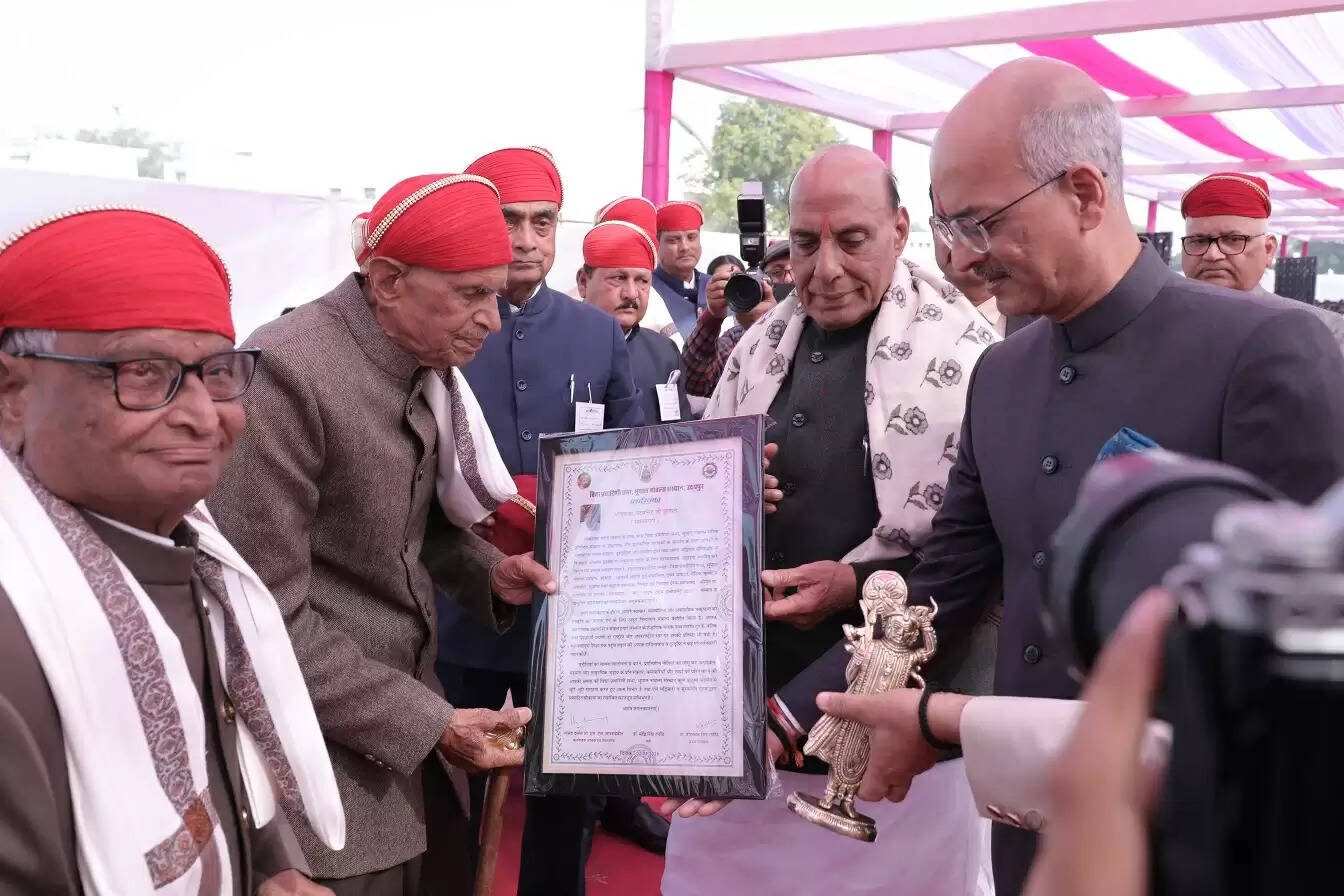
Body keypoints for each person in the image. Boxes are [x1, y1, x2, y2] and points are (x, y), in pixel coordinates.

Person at [778, 57, 1344, 896]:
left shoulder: (1264, 351)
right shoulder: (1002, 372)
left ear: (1084, 193)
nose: (963, 259)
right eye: (945, 227)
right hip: (1030, 832)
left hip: (1208, 843)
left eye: (979, 223)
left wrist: (946, 722)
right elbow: (947, 580)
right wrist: (787, 714)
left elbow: (1305, 669)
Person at [661, 144, 998, 896]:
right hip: (743, 705)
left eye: (853, 240)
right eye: (806, 243)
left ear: (902, 228)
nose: (825, 270)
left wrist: (853, 584)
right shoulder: (760, 347)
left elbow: (977, 557)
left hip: (896, 729)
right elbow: (684, 512)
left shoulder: (973, 360)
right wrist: (731, 496)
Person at [210, 174, 552, 895]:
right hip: (325, 782)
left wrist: (488, 573)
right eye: (470, 294)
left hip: (409, 742)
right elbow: (260, 619)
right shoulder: (290, 374)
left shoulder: (415, 364)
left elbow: (405, 527)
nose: (491, 319)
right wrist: (431, 724)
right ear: (389, 279)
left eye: (494, 293)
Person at [0, 208, 344, 895]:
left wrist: (268, 865)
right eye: (142, 371)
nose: (200, 414)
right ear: (12, 393)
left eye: (217, 372)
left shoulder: (196, 553)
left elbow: (215, 749)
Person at [443, 149, 652, 894]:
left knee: (564, 795)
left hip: (571, 604)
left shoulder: (597, 335)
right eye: (508, 220)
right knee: (451, 794)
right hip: (457, 595)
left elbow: (634, 454)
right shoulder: (440, 322)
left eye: (541, 221)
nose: (526, 239)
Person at [1180, 171, 1344, 348]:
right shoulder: (1155, 324)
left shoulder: (1324, 333)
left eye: (1233, 240)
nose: (1212, 255)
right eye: (1198, 241)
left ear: (1268, 250)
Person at [578, 219, 692, 423]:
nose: (631, 294)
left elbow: (681, 436)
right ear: (583, 282)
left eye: (642, 281)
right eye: (618, 278)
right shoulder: (554, 347)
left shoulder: (664, 353)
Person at [681, 252, 779, 399]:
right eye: (777, 272)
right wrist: (712, 316)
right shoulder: (735, 338)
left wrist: (774, 325)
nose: (788, 279)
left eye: (792, 271)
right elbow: (696, 383)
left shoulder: (809, 333)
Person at [931, 187, 1006, 336]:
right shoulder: (900, 320)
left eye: (976, 226)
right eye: (946, 226)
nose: (962, 245)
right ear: (933, 228)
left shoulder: (1048, 323)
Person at [651, 200, 709, 341]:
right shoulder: (647, 290)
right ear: (657, 245)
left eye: (691, 237)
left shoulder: (717, 286)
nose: (684, 247)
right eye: (673, 240)